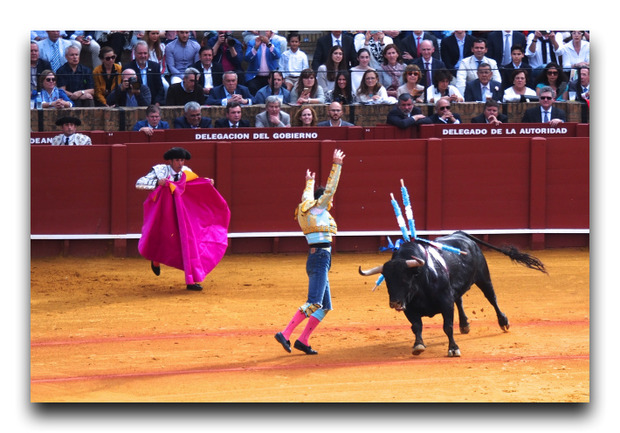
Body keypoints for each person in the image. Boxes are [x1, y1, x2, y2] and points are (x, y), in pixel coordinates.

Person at [274, 148, 345, 355]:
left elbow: (307, 195)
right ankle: (285, 333)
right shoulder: (318, 208)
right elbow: (330, 190)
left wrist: (309, 181)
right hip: (320, 258)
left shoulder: (306, 207)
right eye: (328, 200)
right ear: (321, 200)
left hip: (319, 257)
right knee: (314, 302)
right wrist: (337, 165)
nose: (331, 202)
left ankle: (303, 340)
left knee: (324, 306)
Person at [136, 147, 230, 292]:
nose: (180, 164)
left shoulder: (186, 171)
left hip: (181, 213)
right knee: (160, 237)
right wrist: (157, 183)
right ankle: (156, 259)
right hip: (162, 211)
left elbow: (195, 183)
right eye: (177, 160)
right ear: (171, 161)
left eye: (182, 160)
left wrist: (206, 182)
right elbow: (139, 183)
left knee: (189, 243)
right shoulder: (160, 170)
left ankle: (191, 280)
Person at [56, 43, 95, 107]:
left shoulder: (86, 70)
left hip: (84, 97)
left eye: (76, 55)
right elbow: (61, 90)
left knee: (89, 97)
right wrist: (76, 96)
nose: (75, 57)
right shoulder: (61, 71)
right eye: (72, 55)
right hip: (68, 99)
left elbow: (92, 90)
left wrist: (81, 92)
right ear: (66, 57)